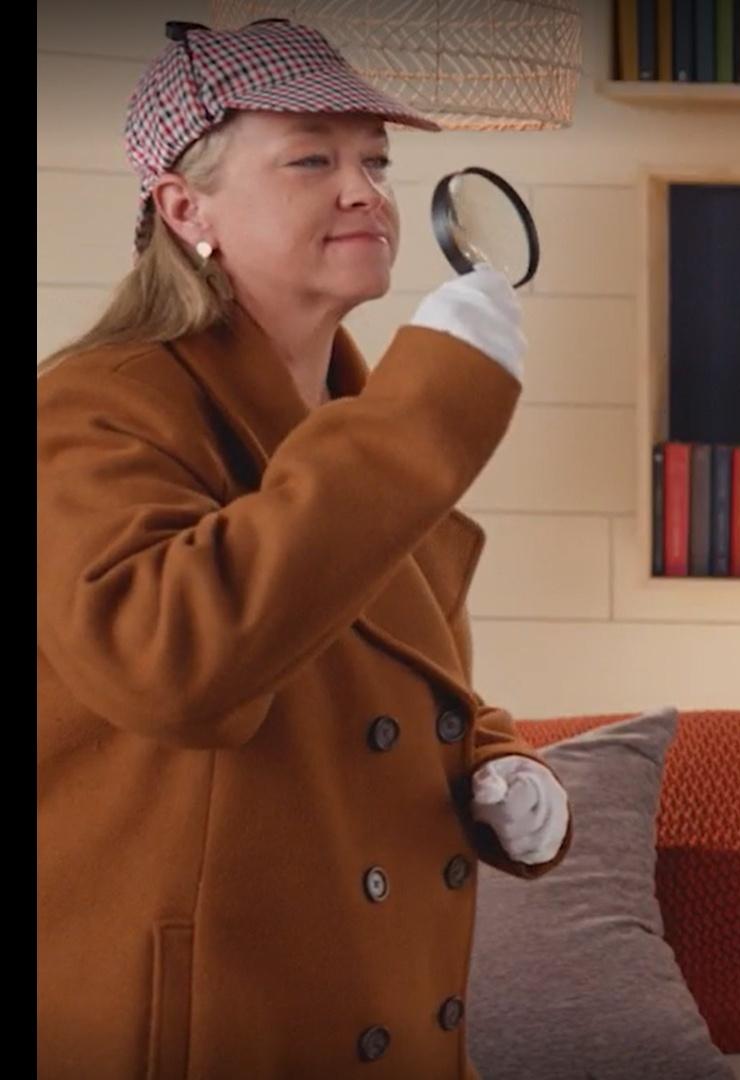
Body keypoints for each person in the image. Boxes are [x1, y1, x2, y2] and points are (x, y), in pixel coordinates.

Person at [37, 19, 571, 1076]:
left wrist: (493, 759)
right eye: (311, 158)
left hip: (373, 996)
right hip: (204, 1018)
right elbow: (174, 662)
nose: (364, 189)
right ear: (187, 209)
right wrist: (430, 408)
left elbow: (359, 675)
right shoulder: (94, 409)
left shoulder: (351, 416)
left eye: (374, 158)